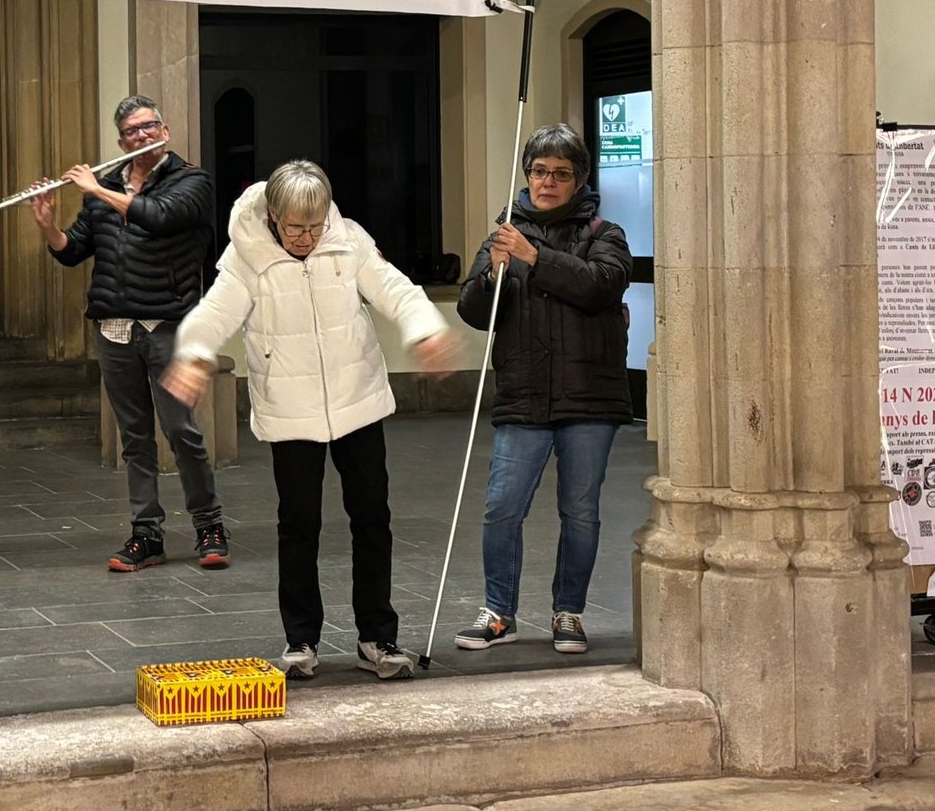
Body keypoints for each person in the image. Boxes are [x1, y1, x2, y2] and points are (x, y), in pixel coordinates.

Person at [162, 161, 457, 681]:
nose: (306, 238)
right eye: (295, 228)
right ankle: (301, 639)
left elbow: (397, 290)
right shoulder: (246, 256)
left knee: (372, 518)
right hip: (290, 409)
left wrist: (425, 329)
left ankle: (377, 636)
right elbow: (214, 313)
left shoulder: (347, 240)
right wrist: (192, 355)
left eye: (315, 226)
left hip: (358, 399)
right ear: (273, 216)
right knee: (299, 525)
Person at [453, 124, 632, 656]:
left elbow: (601, 285)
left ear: (578, 180)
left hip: (588, 397)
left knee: (580, 511)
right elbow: (472, 310)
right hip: (524, 395)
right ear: (527, 174)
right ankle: (498, 611)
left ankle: (568, 611)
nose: (547, 182)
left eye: (560, 173)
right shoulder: (503, 235)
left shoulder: (606, 232)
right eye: (538, 171)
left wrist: (536, 258)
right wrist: (493, 278)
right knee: (502, 508)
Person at [31, 94, 230, 572]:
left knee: (182, 432)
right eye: (131, 132)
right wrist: (48, 226)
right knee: (134, 437)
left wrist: (96, 190)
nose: (140, 136)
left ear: (164, 131)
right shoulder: (105, 186)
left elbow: (157, 217)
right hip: (114, 327)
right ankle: (148, 534)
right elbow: (75, 250)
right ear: (120, 140)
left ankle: (209, 526)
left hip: (167, 325)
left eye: (149, 127)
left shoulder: (191, 181)